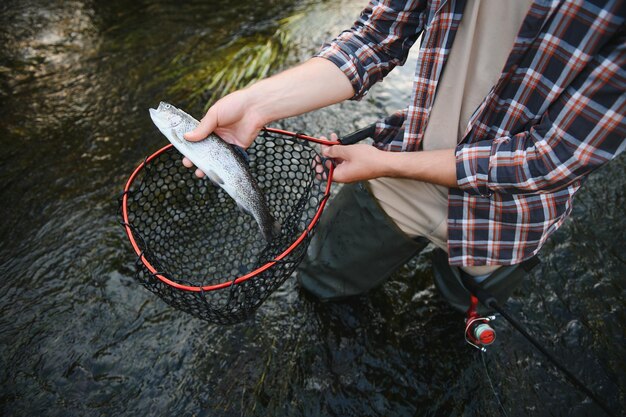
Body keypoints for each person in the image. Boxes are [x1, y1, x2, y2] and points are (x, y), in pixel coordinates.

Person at [182, 0, 625, 309]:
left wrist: (386, 163)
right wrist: (255, 103)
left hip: (509, 223)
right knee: (320, 283)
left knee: (455, 314)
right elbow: (376, 37)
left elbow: (549, 158)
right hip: (399, 179)